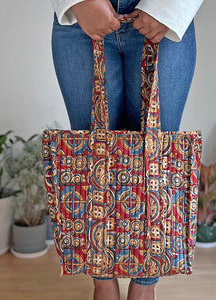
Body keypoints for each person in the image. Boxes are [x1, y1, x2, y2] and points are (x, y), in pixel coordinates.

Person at [49, 0, 203, 299]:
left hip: (164, 12)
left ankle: (145, 287)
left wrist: (168, 7)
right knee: (90, 164)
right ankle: (103, 283)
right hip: (81, 16)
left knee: (158, 161)